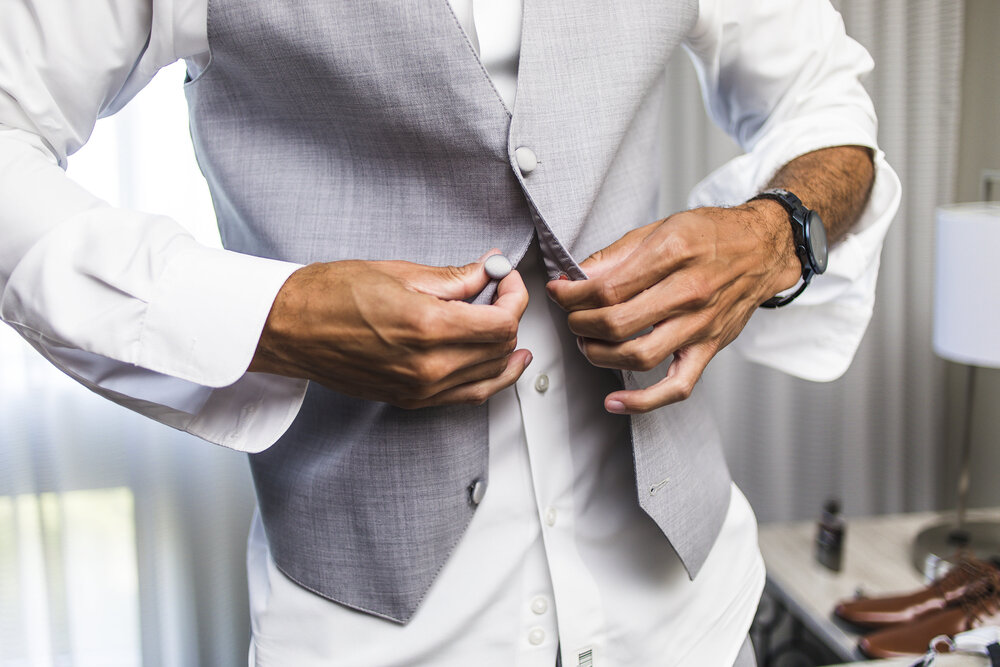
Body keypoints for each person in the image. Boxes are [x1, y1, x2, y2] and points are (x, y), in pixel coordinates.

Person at [0, 0, 900, 664]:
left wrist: (773, 231)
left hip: (691, 616)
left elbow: (825, 98)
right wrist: (276, 316)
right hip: (375, 634)